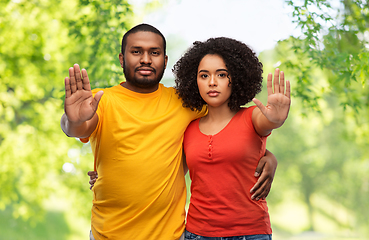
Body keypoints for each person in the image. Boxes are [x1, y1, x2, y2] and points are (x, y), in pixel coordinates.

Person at [61, 23, 278, 240]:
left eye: (154, 53)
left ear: (164, 61)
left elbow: (229, 124)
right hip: (108, 234)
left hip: (170, 235)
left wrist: (266, 156)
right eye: (136, 51)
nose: (145, 59)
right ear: (121, 58)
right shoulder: (101, 100)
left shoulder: (185, 102)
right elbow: (77, 127)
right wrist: (73, 119)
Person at [173, 37, 291, 239]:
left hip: (250, 233)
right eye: (204, 75)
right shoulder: (188, 128)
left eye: (221, 74)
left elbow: (266, 123)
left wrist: (276, 120)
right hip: (197, 233)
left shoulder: (251, 116)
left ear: (235, 78)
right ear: (195, 81)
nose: (212, 82)